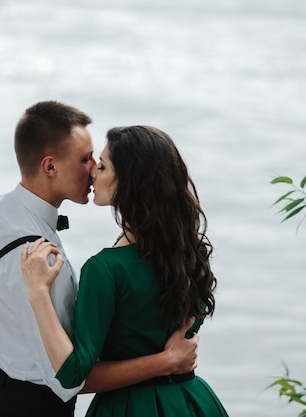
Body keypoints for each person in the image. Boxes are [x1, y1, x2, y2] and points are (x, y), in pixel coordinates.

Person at [0, 102, 201, 417]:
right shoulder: (40, 262)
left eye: (98, 158)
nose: (94, 167)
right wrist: (167, 362)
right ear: (50, 167)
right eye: (86, 159)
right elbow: (69, 378)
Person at [21, 125, 230, 417]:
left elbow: (72, 374)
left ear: (129, 182)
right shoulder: (191, 253)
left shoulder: (104, 270)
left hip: (128, 408)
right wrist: (168, 361)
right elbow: (185, 340)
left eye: (103, 166)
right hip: (191, 402)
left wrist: (37, 292)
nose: (93, 171)